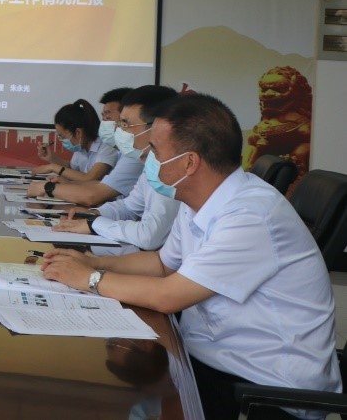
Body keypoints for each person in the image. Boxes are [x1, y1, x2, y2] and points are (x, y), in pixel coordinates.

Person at [42, 93, 340, 419]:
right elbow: (162, 264)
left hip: (265, 390)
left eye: (155, 150)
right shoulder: (199, 199)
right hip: (209, 358)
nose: (148, 158)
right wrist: (93, 262)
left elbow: (168, 295)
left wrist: (89, 278)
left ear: (189, 163)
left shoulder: (251, 214)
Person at [52, 85, 180, 254]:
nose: (119, 130)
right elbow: (128, 207)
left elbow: (149, 236)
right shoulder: (149, 163)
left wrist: (93, 223)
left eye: (125, 124)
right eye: (119, 123)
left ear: (157, 127)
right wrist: (91, 214)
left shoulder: (174, 170)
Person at [25, 99, 119, 202]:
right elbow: (72, 169)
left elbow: (90, 178)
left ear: (78, 132)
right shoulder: (81, 146)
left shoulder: (106, 146)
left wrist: (52, 167)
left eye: (62, 136)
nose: (61, 140)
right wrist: (52, 158)